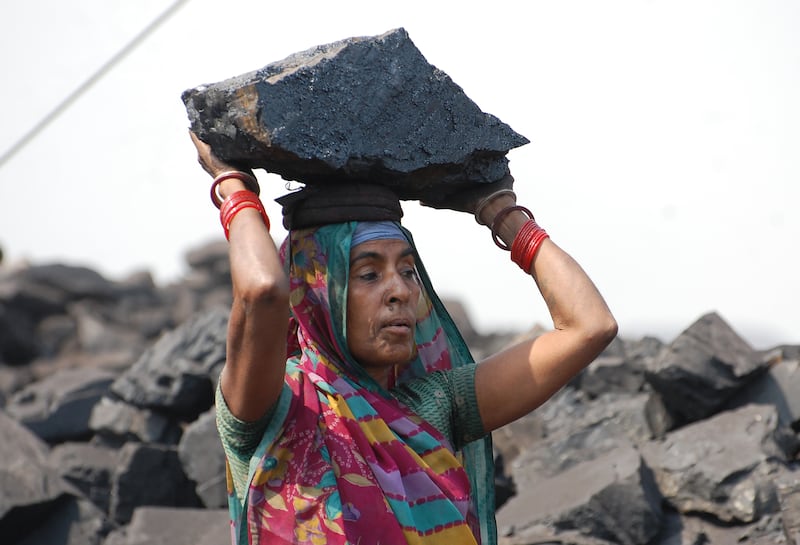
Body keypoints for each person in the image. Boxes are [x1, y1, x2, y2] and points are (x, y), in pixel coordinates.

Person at [189, 131, 617, 545]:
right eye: (369, 273)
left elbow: (589, 326)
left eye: (409, 271)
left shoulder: (434, 406)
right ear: (316, 293)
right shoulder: (276, 407)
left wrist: (500, 211)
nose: (400, 291)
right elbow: (263, 290)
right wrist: (233, 186)